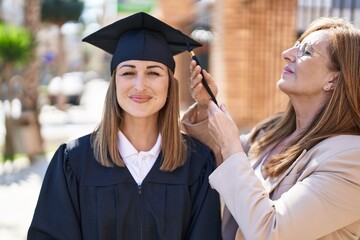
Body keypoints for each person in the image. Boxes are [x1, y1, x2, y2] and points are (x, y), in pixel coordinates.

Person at [28, 12, 222, 240]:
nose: (140, 85)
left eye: (153, 73)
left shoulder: (197, 164)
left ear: (170, 84)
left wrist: (207, 107)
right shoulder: (73, 162)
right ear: (114, 82)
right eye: (128, 72)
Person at [182, 17, 360, 240]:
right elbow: (214, 160)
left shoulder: (351, 159)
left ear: (333, 80)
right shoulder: (271, 132)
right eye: (296, 45)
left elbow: (271, 231)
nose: (287, 53)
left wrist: (231, 145)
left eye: (305, 51)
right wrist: (205, 106)